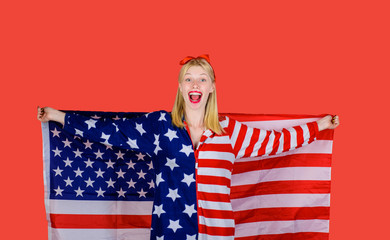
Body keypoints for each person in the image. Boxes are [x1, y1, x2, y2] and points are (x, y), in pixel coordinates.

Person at [37, 54, 340, 240]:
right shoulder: (158, 126)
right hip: (171, 232)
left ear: (211, 87)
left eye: (202, 79)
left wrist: (321, 125)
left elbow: (276, 142)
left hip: (218, 233)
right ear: (181, 87)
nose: (195, 85)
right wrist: (59, 116)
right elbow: (111, 131)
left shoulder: (230, 131)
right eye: (189, 79)